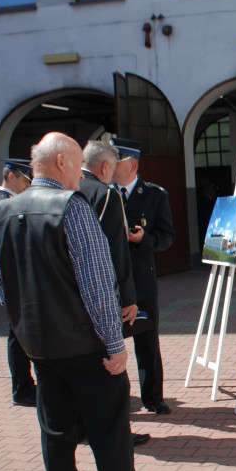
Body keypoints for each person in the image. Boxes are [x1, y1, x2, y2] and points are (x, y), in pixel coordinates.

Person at [0, 132, 171, 471]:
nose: (78, 173)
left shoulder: (6, 210)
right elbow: (97, 285)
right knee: (110, 432)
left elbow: (0, 282)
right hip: (84, 345)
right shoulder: (71, 208)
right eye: (75, 164)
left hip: (40, 345)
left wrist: (24, 324)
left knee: (55, 432)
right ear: (61, 164)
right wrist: (114, 344)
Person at [80, 140, 149, 446]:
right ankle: (118, 433)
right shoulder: (105, 194)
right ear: (106, 166)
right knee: (111, 366)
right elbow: (116, 251)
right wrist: (129, 297)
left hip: (72, 298)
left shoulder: (65, 189)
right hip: (102, 292)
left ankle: (82, 428)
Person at [112, 138, 175, 415]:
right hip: (112, 281)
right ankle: (118, 401)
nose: (110, 166)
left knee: (147, 342)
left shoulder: (154, 195)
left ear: (132, 165)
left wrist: (143, 239)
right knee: (110, 342)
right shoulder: (104, 193)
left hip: (141, 280)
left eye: (117, 161)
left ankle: (153, 397)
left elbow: (167, 237)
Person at [0, 158, 36, 407]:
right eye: (27, 180)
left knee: (19, 336)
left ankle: (24, 385)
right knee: (18, 338)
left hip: (16, 281)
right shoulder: (3, 205)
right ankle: (22, 388)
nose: (29, 186)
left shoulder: (5, 203)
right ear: (12, 176)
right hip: (16, 281)